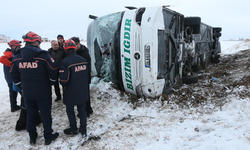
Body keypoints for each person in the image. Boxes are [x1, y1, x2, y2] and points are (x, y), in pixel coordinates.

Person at [9, 31, 59, 145]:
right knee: (46, 114)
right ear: (36, 42)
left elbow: (13, 74)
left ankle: (32, 137)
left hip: (27, 92)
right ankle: (48, 136)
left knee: (30, 114)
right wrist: (51, 82)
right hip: (43, 91)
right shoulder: (44, 55)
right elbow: (53, 70)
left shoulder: (17, 57)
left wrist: (20, 86)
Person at [59, 39, 89, 137]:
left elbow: (64, 81)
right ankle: (83, 129)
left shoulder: (64, 62)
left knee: (70, 110)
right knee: (82, 111)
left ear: (65, 49)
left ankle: (73, 128)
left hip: (70, 91)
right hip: (83, 90)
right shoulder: (83, 60)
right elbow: (87, 75)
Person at [71, 37, 93, 117]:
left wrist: (86, 78)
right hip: (80, 77)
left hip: (84, 77)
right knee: (83, 94)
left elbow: (87, 67)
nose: (74, 48)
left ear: (78, 44)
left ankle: (86, 111)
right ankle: (88, 109)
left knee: (84, 95)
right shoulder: (77, 52)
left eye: (75, 45)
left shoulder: (84, 53)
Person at [0, 40, 21, 112]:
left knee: (14, 91)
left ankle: (14, 106)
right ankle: (14, 106)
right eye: (18, 46)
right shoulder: (9, 53)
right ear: (13, 46)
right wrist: (13, 65)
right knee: (16, 91)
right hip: (11, 77)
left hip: (11, 76)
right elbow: (2, 59)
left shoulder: (13, 53)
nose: (19, 47)